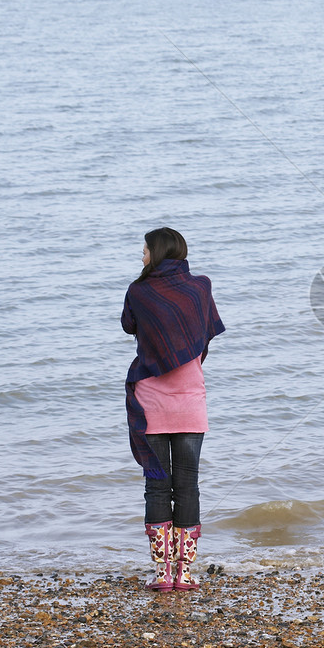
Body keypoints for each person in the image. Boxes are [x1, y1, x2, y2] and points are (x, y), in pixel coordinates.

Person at [122, 228, 225, 592]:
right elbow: (205, 332)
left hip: (151, 403)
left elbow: (128, 326)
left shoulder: (138, 291)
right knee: (188, 488)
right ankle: (184, 574)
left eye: (145, 249)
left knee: (156, 488)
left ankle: (162, 574)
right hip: (190, 401)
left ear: (158, 251)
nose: (142, 255)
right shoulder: (201, 288)